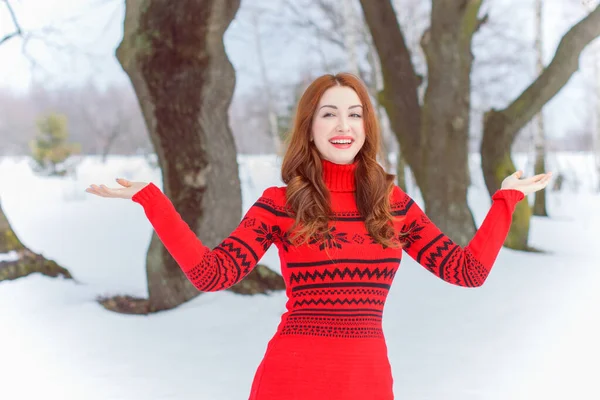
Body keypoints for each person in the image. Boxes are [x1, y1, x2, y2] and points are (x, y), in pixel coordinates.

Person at [86, 72, 552, 399]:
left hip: (367, 382)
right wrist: (152, 199)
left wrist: (505, 200)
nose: (344, 125)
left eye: (355, 114)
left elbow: (466, 271)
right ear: (309, 126)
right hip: (291, 381)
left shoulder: (392, 205)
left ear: (367, 126)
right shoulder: (280, 202)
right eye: (329, 114)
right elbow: (212, 273)